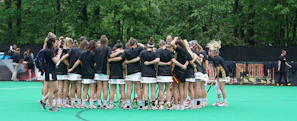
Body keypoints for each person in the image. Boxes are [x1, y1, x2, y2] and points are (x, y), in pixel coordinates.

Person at [108, 37, 145, 109]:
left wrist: (111, 59)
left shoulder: (126, 51)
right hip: (137, 71)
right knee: (138, 88)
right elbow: (143, 46)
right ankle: (140, 104)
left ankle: (128, 104)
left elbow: (120, 58)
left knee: (129, 89)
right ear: (135, 44)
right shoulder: (139, 49)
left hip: (129, 71)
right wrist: (138, 43)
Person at [57, 36, 85, 108]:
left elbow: (63, 58)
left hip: (63, 71)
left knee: (66, 87)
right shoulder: (75, 50)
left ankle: (62, 102)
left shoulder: (61, 49)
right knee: (74, 87)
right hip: (72, 71)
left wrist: (59, 61)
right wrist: (70, 66)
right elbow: (79, 61)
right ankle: (75, 102)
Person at [69, 40, 97, 109]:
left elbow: (78, 62)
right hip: (91, 73)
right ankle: (91, 104)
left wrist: (71, 68)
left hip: (84, 73)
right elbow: (95, 64)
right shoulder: (93, 54)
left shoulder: (82, 53)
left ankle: (83, 104)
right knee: (92, 89)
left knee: (85, 90)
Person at [39, 38, 63, 112]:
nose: (57, 44)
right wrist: (59, 53)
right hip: (49, 72)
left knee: (56, 89)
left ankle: (43, 100)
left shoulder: (50, 50)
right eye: (55, 42)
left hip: (53, 71)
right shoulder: (49, 51)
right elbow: (56, 61)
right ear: (52, 43)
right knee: (52, 89)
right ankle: (51, 107)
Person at [170, 37, 192, 110]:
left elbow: (172, 43)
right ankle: (182, 105)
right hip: (183, 71)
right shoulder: (186, 51)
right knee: (181, 88)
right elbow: (189, 60)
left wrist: (175, 39)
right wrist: (184, 65)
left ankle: (176, 105)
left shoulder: (179, 50)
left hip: (177, 71)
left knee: (174, 88)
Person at [207, 40, 229, 107]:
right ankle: (219, 101)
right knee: (217, 87)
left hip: (222, 74)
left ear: (213, 52)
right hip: (221, 74)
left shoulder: (215, 58)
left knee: (221, 88)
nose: (208, 52)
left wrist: (217, 76)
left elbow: (218, 68)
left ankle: (225, 102)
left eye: (210, 51)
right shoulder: (215, 58)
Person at [108, 40, 127, 110]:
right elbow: (119, 59)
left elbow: (112, 58)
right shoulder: (122, 53)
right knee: (122, 90)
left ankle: (111, 104)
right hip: (120, 74)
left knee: (112, 90)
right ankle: (124, 104)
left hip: (113, 73)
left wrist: (111, 60)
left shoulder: (112, 54)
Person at [94, 35, 112, 109]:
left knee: (99, 88)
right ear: (106, 41)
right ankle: (105, 103)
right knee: (105, 88)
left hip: (97, 70)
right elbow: (110, 56)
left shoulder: (97, 49)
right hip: (105, 69)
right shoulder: (108, 48)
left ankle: (98, 103)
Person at [156, 40, 174, 110]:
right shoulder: (169, 52)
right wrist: (167, 64)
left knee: (161, 89)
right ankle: (168, 104)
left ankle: (161, 104)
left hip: (161, 72)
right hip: (168, 72)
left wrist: (165, 63)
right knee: (168, 89)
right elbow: (172, 61)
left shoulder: (158, 51)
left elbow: (158, 62)